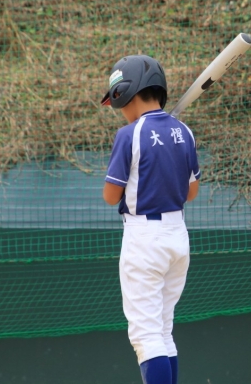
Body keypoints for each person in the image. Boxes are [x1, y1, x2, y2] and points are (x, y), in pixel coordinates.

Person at [101, 55, 200, 384]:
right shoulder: (184, 131)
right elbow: (191, 192)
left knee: (146, 335)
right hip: (177, 236)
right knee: (162, 330)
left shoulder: (129, 134)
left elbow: (110, 196)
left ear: (125, 94)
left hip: (144, 239)